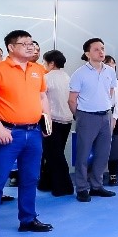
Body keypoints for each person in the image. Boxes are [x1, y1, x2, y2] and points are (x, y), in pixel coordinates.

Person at [0, 30, 51, 237]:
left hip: (34, 132)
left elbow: (42, 96)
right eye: (24, 43)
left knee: (30, 178)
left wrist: (47, 121)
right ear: (11, 47)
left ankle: (28, 219)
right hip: (9, 133)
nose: (30, 46)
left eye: (31, 43)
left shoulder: (37, 70)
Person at [68, 38, 117, 202]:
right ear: (87, 54)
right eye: (96, 49)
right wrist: (80, 116)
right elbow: (72, 100)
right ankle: (82, 188)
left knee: (103, 153)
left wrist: (107, 109)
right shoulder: (79, 73)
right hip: (86, 116)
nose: (101, 52)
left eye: (102, 48)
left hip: (106, 115)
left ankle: (96, 186)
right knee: (83, 154)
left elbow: (110, 91)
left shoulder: (110, 71)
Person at [39, 50, 73, 197]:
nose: (43, 64)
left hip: (51, 120)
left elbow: (40, 100)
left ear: (51, 63)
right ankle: (46, 183)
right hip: (67, 119)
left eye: (44, 61)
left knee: (53, 154)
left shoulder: (46, 78)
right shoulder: (67, 77)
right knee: (56, 152)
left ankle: (64, 187)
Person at [104, 56, 118, 185]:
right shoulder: (98, 80)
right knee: (98, 143)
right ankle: (96, 173)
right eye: (107, 64)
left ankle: (113, 173)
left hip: (114, 114)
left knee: (114, 144)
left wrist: (115, 117)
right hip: (100, 113)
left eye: (112, 64)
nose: (111, 66)